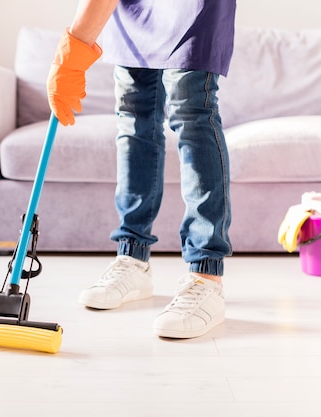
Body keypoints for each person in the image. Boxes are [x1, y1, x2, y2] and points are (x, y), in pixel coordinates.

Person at [47, 0, 236, 338]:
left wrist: (73, 49)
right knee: (134, 117)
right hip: (134, 13)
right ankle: (132, 257)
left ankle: (206, 275)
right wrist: (73, 51)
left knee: (191, 110)